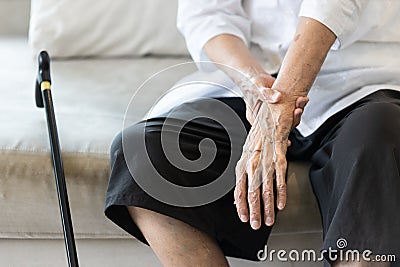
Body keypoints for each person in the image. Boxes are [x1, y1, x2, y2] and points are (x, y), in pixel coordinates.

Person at [105, 0, 400, 266]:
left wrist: (279, 107)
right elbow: (207, 13)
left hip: (362, 79)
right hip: (253, 81)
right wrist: (252, 84)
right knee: (142, 153)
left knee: (379, 136)